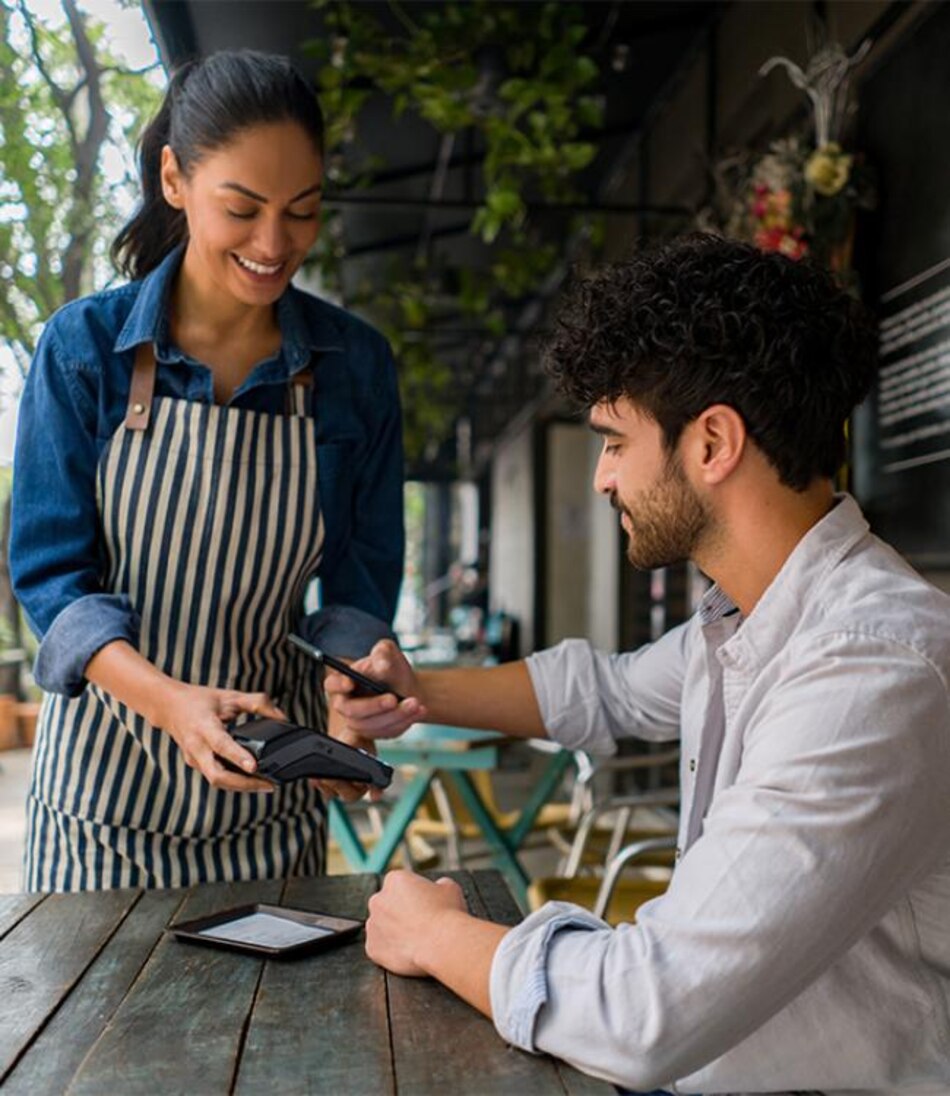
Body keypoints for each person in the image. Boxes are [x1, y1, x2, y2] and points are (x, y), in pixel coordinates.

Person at [326, 236, 950, 1094]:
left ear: (712, 443)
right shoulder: (747, 618)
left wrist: (437, 934)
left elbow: (646, 1009)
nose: (601, 478)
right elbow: (606, 691)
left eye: (615, 442)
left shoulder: (870, 669)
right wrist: (415, 691)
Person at [10, 50, 404, 892]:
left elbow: (356, 590)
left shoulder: (356, 368)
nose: (274, 244)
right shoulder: (84, 350)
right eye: (242, 208)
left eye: (303, 211)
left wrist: (354, 698)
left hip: (272, 806)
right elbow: (51, 581)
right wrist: (171, 702)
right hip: (100, 814)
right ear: (174, 180)